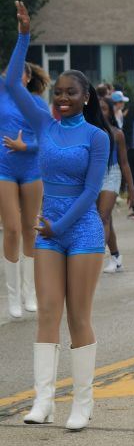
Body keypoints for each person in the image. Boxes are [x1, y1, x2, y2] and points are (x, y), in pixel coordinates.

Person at [8, 1, 111, 431]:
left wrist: (61, 224)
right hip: (47, 231)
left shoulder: (97, 135)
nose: (63, 98)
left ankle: (82, 404)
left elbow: (91, 191)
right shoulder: (43, 124)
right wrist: (24, 35)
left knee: (77, 316)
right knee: (48, 310)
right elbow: (12, 81)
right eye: (59, 93)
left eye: (71, 93)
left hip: (81, 230)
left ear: (86, 98)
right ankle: (43, 400)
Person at [0, 52, 49, 319]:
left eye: (18, 70)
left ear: (27, 78)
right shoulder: (2, 91)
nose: (11, 72)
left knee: (31, 229)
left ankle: (29, 293)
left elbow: (49, 137)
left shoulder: (38, 104)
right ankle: (12, 297)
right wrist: (22, 34)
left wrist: (25, 146)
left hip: (31, 169)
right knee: (11, 230)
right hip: (3, 168)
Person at [97, 96, 134, 273]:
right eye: (98, 108)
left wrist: (132, 189)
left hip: (111, 174)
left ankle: (93, 258)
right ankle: (115, 256)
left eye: (104, 108)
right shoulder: (86, 131)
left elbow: (125, 163)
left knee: (102, 217)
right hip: (92, 177)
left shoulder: (116, 134)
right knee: (106, 220)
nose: (100, 112)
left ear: (110, 112)